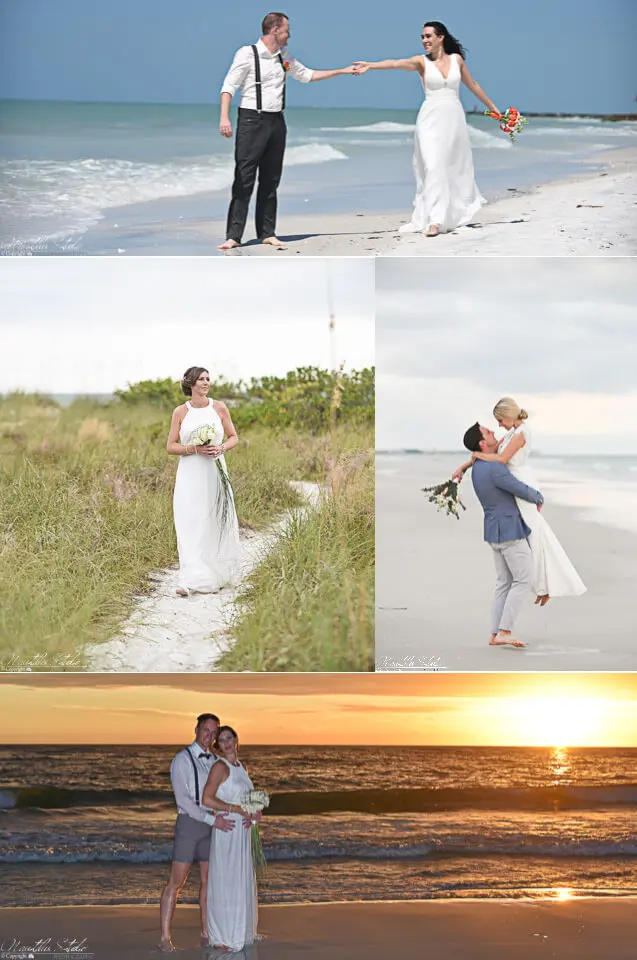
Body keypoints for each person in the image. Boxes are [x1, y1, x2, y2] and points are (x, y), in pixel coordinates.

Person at [218, 11, 357, 250]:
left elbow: (307, 75)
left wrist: (342, 70)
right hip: (252, 120)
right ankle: (234, 236)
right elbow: (229, 86)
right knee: (244, 178)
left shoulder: (284, 56)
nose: (289, 35)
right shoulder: (247, 53)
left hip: (276, 122)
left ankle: (267, 233)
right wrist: (224, 118)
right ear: (274, 30)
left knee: (271, 178)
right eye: (286, 30)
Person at [353, 21, 501, 236]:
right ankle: (434, 220)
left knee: (449, 167)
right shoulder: (420, 62)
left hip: (453, 118)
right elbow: (395, 63)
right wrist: (371, 65)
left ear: (441, 37)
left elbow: (474, 85)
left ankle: (446, 215)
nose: (424, 41)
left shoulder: (456, 60)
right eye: (422, 37)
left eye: (428, 36)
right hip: (430, 119)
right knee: (432, 166)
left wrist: (494, 109)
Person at [455, 399, 587, 608]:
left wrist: (476, 455)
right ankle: (543, 585)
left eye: (500, 420)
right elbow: (493, 451)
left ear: (508, 416)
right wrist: (464, 466)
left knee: (535, 533)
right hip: (513, 484)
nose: (498, 425)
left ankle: (545, 585)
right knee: (534, 534)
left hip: (521, 484)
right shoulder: (510, 433)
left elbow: (499, 458)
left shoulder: (522, 434)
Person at [461, 421, 544, 648]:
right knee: (522, 579)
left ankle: (495, 633)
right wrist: (538, 497)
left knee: (504, 582)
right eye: (488, 432)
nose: (493, 432)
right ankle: (504, 631)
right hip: (508, 531)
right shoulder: (494, 468)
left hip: (493, 531)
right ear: (482, 443)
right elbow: (517, 487)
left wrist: (464, 465)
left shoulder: (478, 467)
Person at [159, 714, 234, 953]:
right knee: (177, 882)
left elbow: (221, 795)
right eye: (206, 730)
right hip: (190, 824)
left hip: (211, 826)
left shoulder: (215, 760)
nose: (209, 736)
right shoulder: (181, 759)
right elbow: (184, 800)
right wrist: (213, 819)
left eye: (214, 732)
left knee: (208, 882)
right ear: (196, 729)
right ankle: (164, 938)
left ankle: (206, 932)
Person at [166, 366, 241, 597]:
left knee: (214, 519)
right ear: (191, 384)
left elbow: (233, 437)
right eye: (201, 379)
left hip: (215, 471)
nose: (206, 382)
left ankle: (217, 574)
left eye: (208, 379)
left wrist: (221, 447)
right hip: (190, 473)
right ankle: (190, 579)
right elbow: (170, 446)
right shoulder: (180, 411)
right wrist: (194, 449)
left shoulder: (219, 407)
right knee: (190, 520)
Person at [202, 726, 260, 952]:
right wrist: (235, 808)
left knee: (239, 879)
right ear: (217, 745)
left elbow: (249, 799)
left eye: (229, 738)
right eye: (221, 740)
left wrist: (255, 813)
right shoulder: (220, 766)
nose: (226, 743)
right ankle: (223, 936)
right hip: (227, 830)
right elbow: (207, 798)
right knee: (226, 880)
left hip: (241, 833)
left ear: (236, 739)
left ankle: (239, 930)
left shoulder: (240, 767)